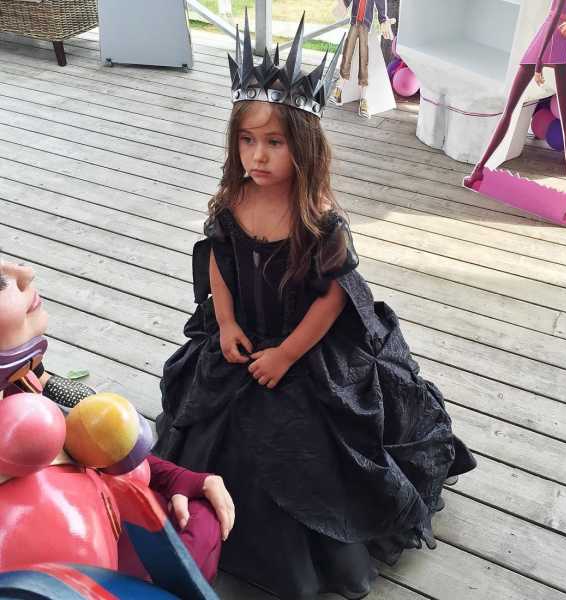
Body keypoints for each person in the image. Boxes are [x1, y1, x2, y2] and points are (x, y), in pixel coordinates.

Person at [155, 18, 476, 600]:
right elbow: (218, 265)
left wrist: (286, 355)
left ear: (302, 147)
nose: (257, 155)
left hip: (308, 347)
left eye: (274, 143)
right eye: (247, 141)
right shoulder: (232, 202)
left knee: (307, 446)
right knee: (215, 433)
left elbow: (334, 297)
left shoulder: (318, 221)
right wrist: (225, 323)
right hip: (244, 335)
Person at [0, 260, 234, 584]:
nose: (26, 272)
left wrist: (175, 477)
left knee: (199, 515)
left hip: (96, 530)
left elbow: (79, 436)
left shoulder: (23, 382)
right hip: (73, 572)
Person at [464, 0, 566, 224]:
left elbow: (557, 15)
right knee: (563, 123)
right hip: (552, 36)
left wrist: (539, 62)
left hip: (550, 37)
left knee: (515, 111)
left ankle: (479, 170)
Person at [330, 0, 394, 118]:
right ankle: (339, 90)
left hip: (365, 25)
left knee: (364, 59)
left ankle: (364, 99)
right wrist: (342, 5)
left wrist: (383, 19)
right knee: (347, 53)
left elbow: (381, 4)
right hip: (354, 23)